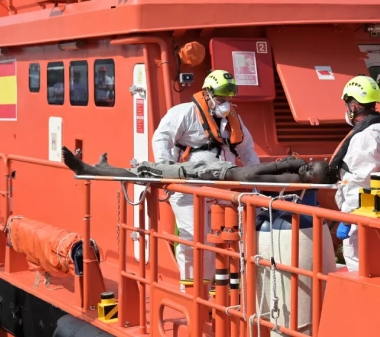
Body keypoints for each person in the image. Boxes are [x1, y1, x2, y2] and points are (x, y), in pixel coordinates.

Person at [150, 69, 260, 286]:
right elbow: (161, 138)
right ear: (207, 93)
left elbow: (246, 149)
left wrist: (255, 178)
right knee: (194, 239)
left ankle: (214, 291)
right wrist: (165, 168)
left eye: (228, 99)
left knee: (223, 240)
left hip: (220, 186)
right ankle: (191, 290)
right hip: (189, 188)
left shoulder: (232, 118)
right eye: (221, 99)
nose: (225, 103)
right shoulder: (184, 113)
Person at [326, 75, 380, 272]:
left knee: (357, 263)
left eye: (347, 105)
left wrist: (347, 218)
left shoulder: (365, 138)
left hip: (360, 213)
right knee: (379, 261)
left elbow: (357, 182)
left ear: (353, 106)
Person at [61, 146, 327, 184]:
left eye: (310, 171)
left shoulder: (293, 182)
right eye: (309, 165)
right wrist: (298, 162)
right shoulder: (295, 176)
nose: (306, 168)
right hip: (213, 168)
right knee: (149, 168)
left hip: (209, 174)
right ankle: (100, 168)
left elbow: (273, 172)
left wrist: (295, 165)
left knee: (147, 171)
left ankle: (90, 170)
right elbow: (277, 166)